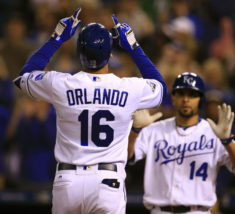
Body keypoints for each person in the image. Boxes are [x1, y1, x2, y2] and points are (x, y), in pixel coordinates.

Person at [13, 8, 167, 214]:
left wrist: (56, 39)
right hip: (108, 181)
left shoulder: (62, 84)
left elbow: (25, 77)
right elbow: (161, 88)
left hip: (68, 181)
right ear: (110, 54)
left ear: (80, 52)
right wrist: (133, 46)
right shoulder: (129, 88)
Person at [128, 72, 235, 214]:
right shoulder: (155, 130)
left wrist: (227, 141)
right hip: (159, 211)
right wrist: (135, 130)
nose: (186, 99)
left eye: (192, 94)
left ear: (200, 100)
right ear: (173, 98)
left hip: (197, 211)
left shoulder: (213, 132)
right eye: (181, 93)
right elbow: (127, 156)